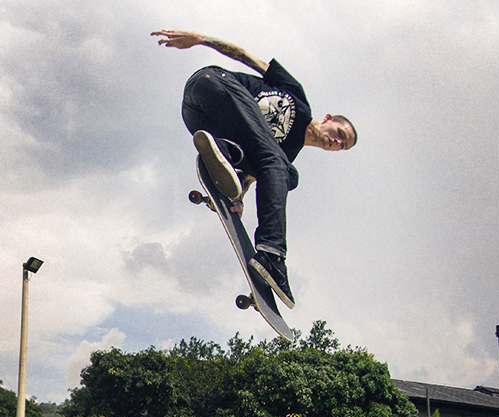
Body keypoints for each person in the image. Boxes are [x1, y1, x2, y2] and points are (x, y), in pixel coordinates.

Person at [152, 29, 357, 309]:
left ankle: (224, 152)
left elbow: (253, 177)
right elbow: (247, 58)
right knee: (276, 164)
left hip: (202, 122)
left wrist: (237, 196)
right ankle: (272, 255)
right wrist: (201, 40)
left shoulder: (285, 155)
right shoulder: (298, 97)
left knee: (285, 172)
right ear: (329, 118)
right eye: (340, 133)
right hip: (212, 85)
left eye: (342, 146)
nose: (336, 142)